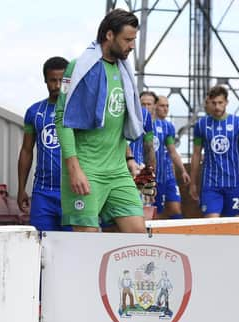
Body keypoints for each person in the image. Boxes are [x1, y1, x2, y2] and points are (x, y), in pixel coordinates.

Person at [55, 8, 155, 232]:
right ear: (109, 35)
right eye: (127, 40)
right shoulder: (80, 66)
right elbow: (63, 118)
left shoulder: (124, 71)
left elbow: (119, 121)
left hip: (118, 171)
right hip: (87, 169)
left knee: (138, 235)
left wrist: (129, 158)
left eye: (134, 40)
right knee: (86, 244)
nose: (132, 46)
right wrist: (74, 169)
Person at [17, 56, 70, 231]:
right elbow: (26, 151)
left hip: (73, 191)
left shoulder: (78, 111)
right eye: (52, 80)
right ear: (45, 80)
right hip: (43, 192)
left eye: (61, 80)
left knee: (75, 248)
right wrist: (21, 188)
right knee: (42, 248)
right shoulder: (34, 112)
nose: (57, 85)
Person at [189, 85, 239, 217]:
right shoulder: (201, 125)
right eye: (214, 103)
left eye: (220, 103)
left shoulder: (238, 123)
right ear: (209, 103)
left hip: (233, 182)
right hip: (210, 184)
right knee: (212, 223)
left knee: (235, 226)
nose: (217, 107)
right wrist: (193, 183)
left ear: (226, 103)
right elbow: (196, 155)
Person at [140, 91, 190, 219]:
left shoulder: (166, 126)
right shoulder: (136, 125)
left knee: (176, 209)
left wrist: (183, 171)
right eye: (142, 104)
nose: (146, 108)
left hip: (165, 176)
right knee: (155, 214)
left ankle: (179, 238)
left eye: (148, 104)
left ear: (154, 105)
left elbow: (172, 152)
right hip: (146, 178)